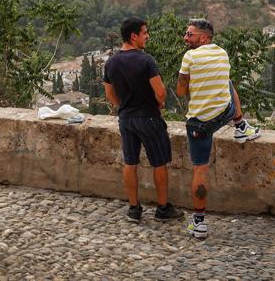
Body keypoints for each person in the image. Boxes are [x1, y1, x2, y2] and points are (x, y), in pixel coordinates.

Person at [176, 18, 260, 239]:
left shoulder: (189, 57)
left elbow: (181, 91)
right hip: (224, 114)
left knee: (200, 169)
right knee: (229, 84)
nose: (185, 38)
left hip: (199, 123)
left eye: (189, 35)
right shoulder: (222, 53)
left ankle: (200, 223)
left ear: (203, 37)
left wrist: (190, 79)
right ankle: (241, 125)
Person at [103, 17, 183, 224]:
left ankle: (133, 208)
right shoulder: (146, 60)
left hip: (126, 118)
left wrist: (125, 105)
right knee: (159, 163)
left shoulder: (111, 62)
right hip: (148, 117)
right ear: (134, 36)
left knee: (130, 162)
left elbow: (110, 97)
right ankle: (163, 208)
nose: (147, 36)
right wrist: (158, 104)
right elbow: (161, 92)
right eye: (145, 32)